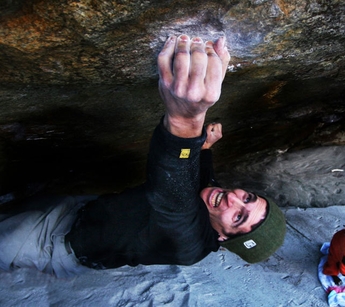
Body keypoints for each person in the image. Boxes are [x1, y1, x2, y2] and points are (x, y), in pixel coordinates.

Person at [0, 35, 286, 278]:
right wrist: (206, 147)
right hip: (83, 210)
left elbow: (174, 195)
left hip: (52, 245)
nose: (233, 198)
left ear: (223, 238)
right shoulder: (213, 205)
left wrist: (186, 120)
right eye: (248, 197)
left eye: (238, 216)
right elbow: (202, 178)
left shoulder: (187, 243)